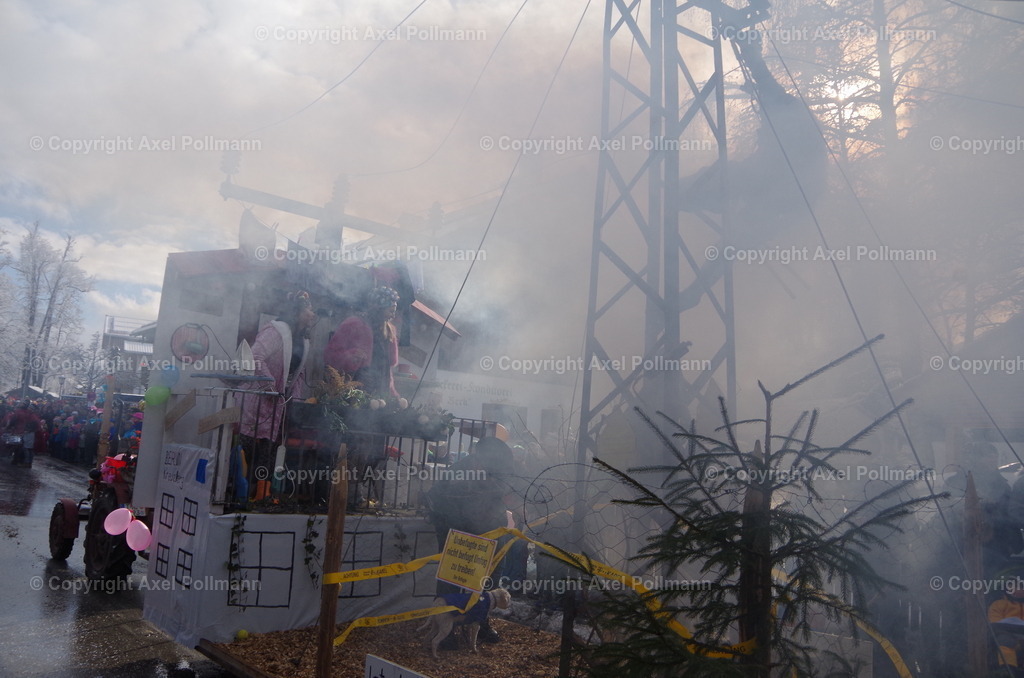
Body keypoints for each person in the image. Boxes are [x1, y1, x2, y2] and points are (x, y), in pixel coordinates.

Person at [425, 436, 517, 645]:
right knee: (451, 580)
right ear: (479, 457)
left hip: (490, 530)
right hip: (456, 530)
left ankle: (481, 622)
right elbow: (444, 503)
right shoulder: (458, 473)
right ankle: (446, 632)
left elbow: (502, 492)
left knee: (490, 578)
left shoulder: (498, 471)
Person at [323, 286, 401, 508]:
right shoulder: (354, 324)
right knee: (356, 444)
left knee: (375, 447)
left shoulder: (389, 332)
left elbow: (388, 371)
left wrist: (393, 394)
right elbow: (330, 356)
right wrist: (352, 357)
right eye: (390, 307)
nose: (393, 312)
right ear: (378, 306)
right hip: (356, 394)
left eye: (394, 307)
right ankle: (346, 494)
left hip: (380, 396)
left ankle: (362, 492)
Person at [237, 290, 318, 497]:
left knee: (270, 453)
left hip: (279, 406)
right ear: (298, 311)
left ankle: (262, 497)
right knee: (251, 450)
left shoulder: (303, 340)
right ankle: (243, 497)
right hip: (258, 402)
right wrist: (270, 388)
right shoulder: (276, 331)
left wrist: (295, 401)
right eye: (309, 309)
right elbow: (255, 357)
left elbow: (298, 375)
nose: (312, 314)